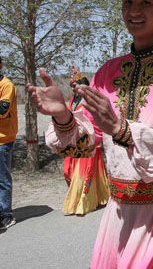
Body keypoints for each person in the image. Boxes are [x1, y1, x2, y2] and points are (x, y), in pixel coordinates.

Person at [27, 0, 153, 268]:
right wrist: (63, 116)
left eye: (145, 2)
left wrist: (122, 129)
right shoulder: (107, 72)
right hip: (118, 215)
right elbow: (85, 146)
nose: (133, 11)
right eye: (127, 1)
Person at [61, 68, 110, 215]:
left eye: (75, 85)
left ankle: (83, 202)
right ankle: (96, 197)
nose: (73, 88)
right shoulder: (72, 100)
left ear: (83, 85)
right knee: (68, 169)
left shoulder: (90, 99)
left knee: (84, 171)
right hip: (73, 139)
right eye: (72, 86)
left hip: (88, 139)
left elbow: (96, 118)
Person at [0, 56, 17, 231]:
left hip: (3, 138)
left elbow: (3, 109)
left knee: (2, 178)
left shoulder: (7, 85)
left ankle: (6, 214)